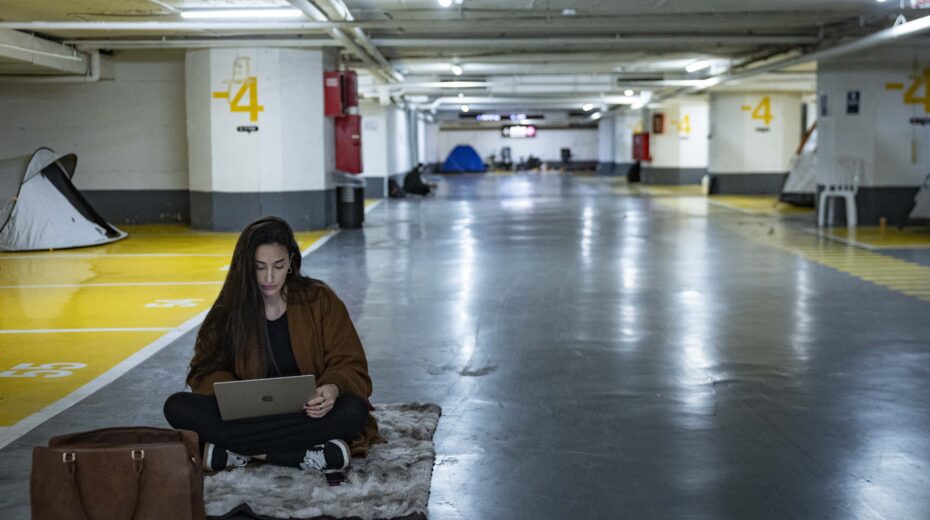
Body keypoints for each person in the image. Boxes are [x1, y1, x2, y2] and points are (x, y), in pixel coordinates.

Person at [163, 216, 381, 473]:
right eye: (259, 267)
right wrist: (235, 395)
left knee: (352, 412)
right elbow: (204, 370)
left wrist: (332, 388)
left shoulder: (320, 299)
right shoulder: (230, 309)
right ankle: (304, 454)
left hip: (308, 415)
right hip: (249, 417)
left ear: (290, 262)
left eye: (278, 266)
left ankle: (241, 453)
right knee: (177, 406)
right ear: (246, 267)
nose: (269, 277)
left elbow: (350, 362)